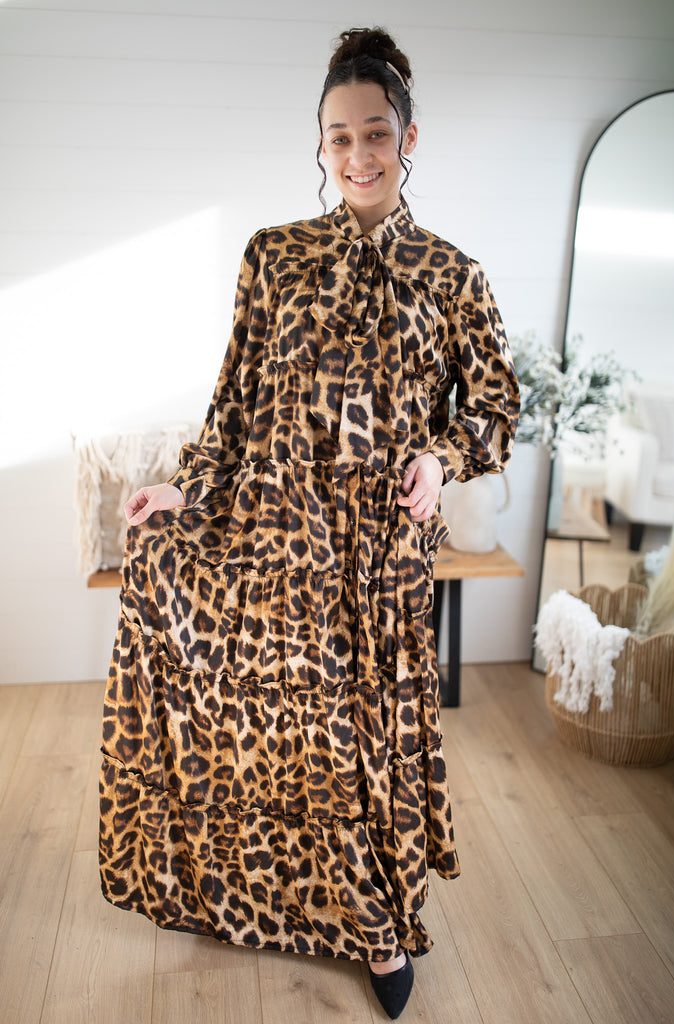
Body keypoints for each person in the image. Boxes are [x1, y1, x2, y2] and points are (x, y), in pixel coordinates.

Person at [99, 27, 519, 1020]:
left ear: (407, 138)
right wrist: (184, 490)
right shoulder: (274, 256)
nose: (357, 155)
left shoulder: (453, 275)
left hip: (382, 552)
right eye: (339, 137)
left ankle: (372, 914)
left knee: (366, 741)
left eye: (375, 133)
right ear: (320, 145)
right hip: (276, 537)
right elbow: (233, 403)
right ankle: (349, 923)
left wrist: (439, 458)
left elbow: (495, 409)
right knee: (296, 736)